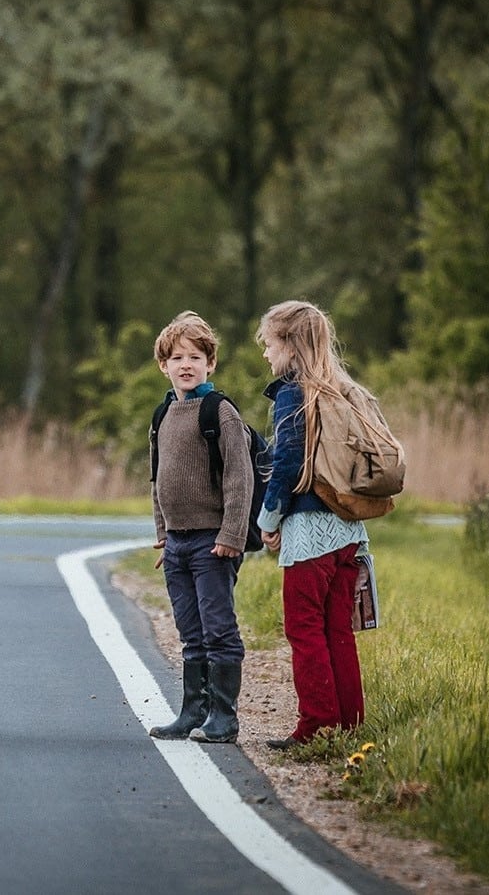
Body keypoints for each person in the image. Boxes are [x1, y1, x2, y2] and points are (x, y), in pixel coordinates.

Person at [256, 300, 367, 750]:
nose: (266, 354)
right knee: (337, 629)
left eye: (269, 344)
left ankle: (317, 724)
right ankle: (349, 721)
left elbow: (285, 463)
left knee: (303, 630)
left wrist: (268, 519)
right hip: (350, 531)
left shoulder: (292, 393)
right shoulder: (343, 389)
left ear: (289, 345)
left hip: (309, 533)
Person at [147, 311, 253, 744]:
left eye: (195, 356)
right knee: (190, 631)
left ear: (211, 363)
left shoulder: (219, 411)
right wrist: (162, 530)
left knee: (218, 628)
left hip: (213, 543)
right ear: (163, 365)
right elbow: (156, 477)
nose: (186, 364)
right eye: (177, 357)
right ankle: (193, 711)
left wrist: (231, 535)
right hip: (177, 543)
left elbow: (239, 477)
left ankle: (224, 718)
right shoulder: (163, 414)